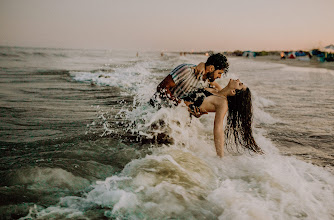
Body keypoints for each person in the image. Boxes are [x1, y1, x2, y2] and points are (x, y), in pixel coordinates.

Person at [183, 79, 263, 157]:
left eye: (239, 84)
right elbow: (208, 76)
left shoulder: (223, 104)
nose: (238, 80)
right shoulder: (218, 90)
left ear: (233, 91)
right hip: (177, 105)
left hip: (179, 114)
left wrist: (220, 156)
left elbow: (218, 128)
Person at [150, 53, 229, 108]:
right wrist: (181, 104)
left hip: (172, 114)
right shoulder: (186, 70)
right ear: (211, 68)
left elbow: (221, 92)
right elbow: (161, 87)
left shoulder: (206, 83)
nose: (219, 77)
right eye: (219, 73)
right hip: (155, 110)